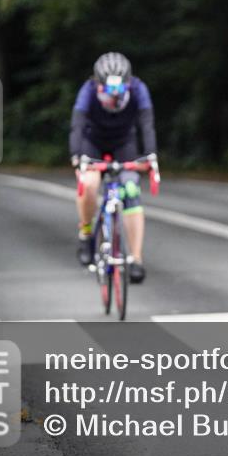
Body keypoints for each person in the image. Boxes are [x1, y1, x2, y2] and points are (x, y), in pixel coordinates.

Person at [69, 52, 157, 283]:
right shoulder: (87, 90)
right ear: (98, 84)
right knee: (89, 184)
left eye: (119, 91)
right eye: (108, 91)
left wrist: (150, 156)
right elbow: (77, 125)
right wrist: (77, 156)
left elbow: (147, 124)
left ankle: (136, 260)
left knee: (130, 190)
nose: (113, 98)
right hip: (93, 142)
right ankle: (86, 232)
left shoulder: (138, 89)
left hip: (124, 142)